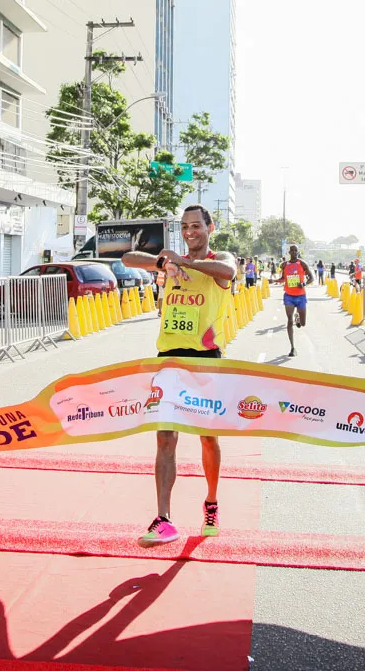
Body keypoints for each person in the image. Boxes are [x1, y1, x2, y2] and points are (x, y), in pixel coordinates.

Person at [122, 204, 236, 546]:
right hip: (169, 358)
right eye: (185, 226)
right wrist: (163, 263)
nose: (190, 231)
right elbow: (128, 258)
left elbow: (228, 271)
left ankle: (211, 501)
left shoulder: (217, 260)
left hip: (205, 361)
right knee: (165, 439)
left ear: (210, 227)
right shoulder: (170, 264)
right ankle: (164, 519)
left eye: (197, 225)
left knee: (207, 439)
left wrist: (183, 262)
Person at [280, 244, 313, 356]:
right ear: (289, 252)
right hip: (289, 296)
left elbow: (311, 278)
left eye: (296, 251)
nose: (294, 252)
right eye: (292, 251)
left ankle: (298, 317)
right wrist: (273, 280)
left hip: (300, 296)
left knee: (303, 324)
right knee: (289, 321)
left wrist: (303, 283)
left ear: (298, 252)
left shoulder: (302, 264)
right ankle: (292, 348)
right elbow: (282, 278)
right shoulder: (284, 265)